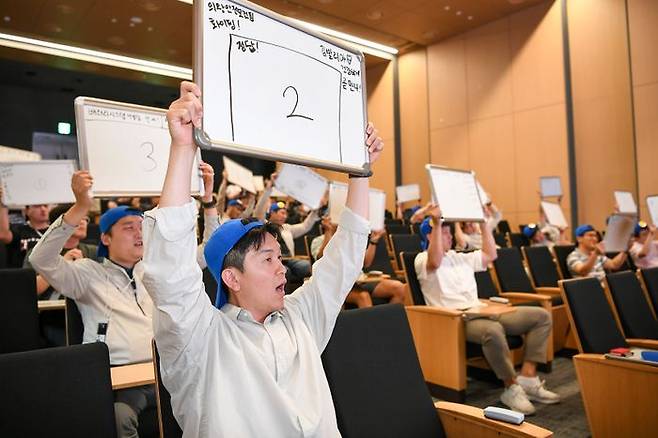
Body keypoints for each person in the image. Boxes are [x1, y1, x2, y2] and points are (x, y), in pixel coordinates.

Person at [141, 81, 383, 436]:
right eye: (267, 259)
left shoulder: (300, 318)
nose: (282, 268)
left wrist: (361, 171)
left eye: (279, 257)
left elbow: (343, 260)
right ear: (231, 278)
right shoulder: (200, 341)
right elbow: (170, 273)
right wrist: (182, 148)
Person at [29, 161, 218, 438]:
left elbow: (209, 251)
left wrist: (209, 201)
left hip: (168, 371)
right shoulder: (86, 275)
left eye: (142, 226)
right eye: (128, 227)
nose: (139, 232)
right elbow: (40, 259)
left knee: (215, 404)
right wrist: (81, 207)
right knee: (119, 419)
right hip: (121, 379)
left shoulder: (157, 268)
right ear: (105, 237)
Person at [415, 205, 559, 415]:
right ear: (430, 236)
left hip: (483, 310)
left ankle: (527, 377)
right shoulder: (422, 260)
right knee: (492, 330)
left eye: (448, 232)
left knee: (541, 316)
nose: (449, 237)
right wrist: (437, 223)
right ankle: (511, 387)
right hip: (456, 320)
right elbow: (435, 261)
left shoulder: (460, 256)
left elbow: (490, 255)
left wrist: (484, 224)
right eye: (443, 233)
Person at [0, 191, 51, 267]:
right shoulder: (18, 229)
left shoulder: (56, 230)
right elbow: (4, 235)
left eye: (45, 206)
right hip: (22, 276)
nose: (43, 209)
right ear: (26, 211)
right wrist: (2, 204)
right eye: (37, 206)